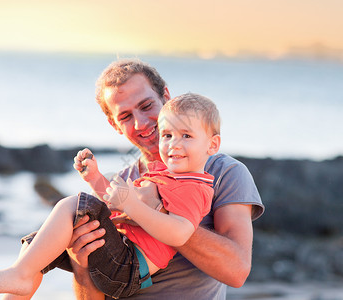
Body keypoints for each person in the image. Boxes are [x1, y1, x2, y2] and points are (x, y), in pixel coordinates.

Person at [0, 93, 222, 298]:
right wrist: (96, 179)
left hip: (129, 267)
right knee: (39, 245)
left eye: (186, 136)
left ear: (212, 145)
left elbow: (179, 232)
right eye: (167, 135)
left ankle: (20, 274)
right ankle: (21, 281)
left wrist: (134, 206)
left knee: (79, 205)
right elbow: (114, 205)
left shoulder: (194, 186)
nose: (173, 144)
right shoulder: (162, 173)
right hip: (118, 255)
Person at [69, 59, 264, 300]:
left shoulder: (224, 172)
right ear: (115, 125)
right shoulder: (120, 185)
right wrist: (81, 266)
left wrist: (154, 211)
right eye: (126, 116)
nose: (141, 123)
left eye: (146, 105)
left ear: (166, 97)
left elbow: (237, 271)